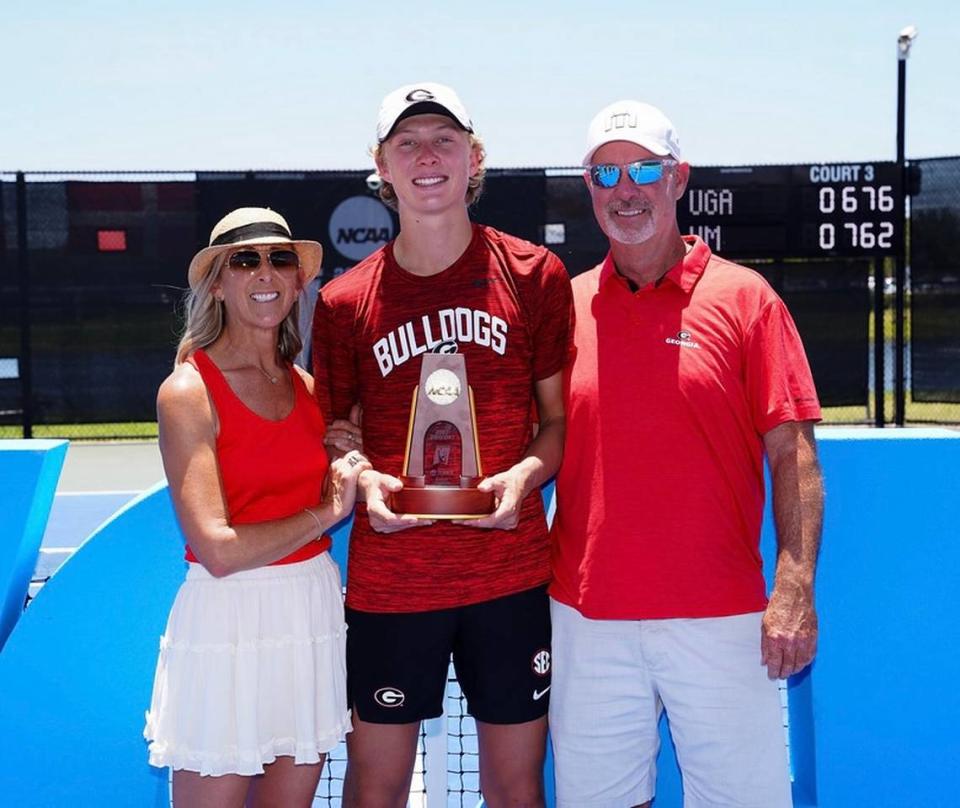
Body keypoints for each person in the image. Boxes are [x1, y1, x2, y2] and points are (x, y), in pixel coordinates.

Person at [549, 101, 825, 808]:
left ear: (678, 178)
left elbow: (793, 454)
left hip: (723, 617)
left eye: (643, 168)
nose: (625, 189)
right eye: (605, 173)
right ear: (589, 186)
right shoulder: (564, 309)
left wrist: (793, 589)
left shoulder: (747, 299)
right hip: (587, 619)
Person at [312, 83, 572, 808]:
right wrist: (363, 482)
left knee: (516, 787)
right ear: (382, 167)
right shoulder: (342, 302)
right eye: (407, 144)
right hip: (392, 584)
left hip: (510, 578)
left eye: (444, 140)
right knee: (377, 786)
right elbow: (336, 437)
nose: (427, 157)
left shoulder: (534, 276)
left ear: (474, 157)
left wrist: (525, 475)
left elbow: (556, 423)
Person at [144, 207, 369, 808]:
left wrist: (340, 453)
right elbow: (218, 549)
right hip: (228, 621)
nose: (264, 272)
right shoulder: (188, 390)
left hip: (311, 611)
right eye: (245, 260)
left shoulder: (311, 391)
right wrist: (326, 512)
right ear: (217, 282)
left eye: (280, 259)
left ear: (299, 280)